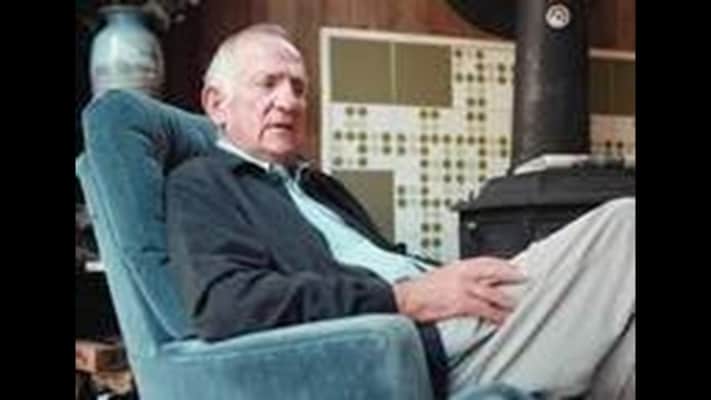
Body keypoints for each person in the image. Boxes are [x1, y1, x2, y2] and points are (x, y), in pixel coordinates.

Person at [166, 23, 635, 400]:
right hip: (409, 342)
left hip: (447, 319)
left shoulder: (319, 186)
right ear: (216, 103)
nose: (289, 100)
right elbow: (228, 305)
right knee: (625, 223)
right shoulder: (203, 183)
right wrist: (405, 299)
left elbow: (387, 258)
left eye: (298, 87)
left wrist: (440, 280)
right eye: (268, 83)